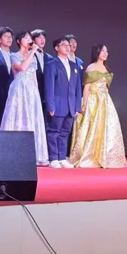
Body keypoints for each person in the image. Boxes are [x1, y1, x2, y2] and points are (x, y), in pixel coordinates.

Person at [70, 44, 127, 168]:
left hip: (105, 100)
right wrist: (84, 105)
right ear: (97, 52)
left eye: (107, 51)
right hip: (93, 99)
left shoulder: (107, 69)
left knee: (106, 127)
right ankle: (91, 155)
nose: (105, 53)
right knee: (92, 126)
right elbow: (87, 88)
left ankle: (104, 156)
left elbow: (106, 88)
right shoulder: (91, 67)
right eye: (102, 51)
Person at [0, 31, 48, 165]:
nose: (28, 40)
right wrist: (33, 52)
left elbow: (34, 77)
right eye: (26, 38)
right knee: (18, 118)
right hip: (19, 90)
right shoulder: (13, 56)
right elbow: (22, 67)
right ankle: (15, 154)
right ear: (19, 41)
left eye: (29, 38)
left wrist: (37, 94)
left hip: (32, 91)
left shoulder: (34, 57)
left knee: (33, 119)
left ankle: (34, 155)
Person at [45, 37, 81, 168]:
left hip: (71, 105)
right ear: (57, 48)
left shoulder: (74, 65)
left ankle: (62, 157)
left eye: (68, 45)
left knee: (65, 132)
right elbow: (49, 86)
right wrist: (50, 105)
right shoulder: (51, 64)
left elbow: (77, 88)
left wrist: (77, 106)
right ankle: (53, 158)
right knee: (54, 131)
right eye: (64, 45)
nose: (67, 47)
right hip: (57, 104)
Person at [32, 29, 52, 118]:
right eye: (39, 38)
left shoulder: (50, 58)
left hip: (46, 94)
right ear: (33, 40)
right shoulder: (29, 55)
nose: (42, 40)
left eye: (44, 38)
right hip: (34, 92)